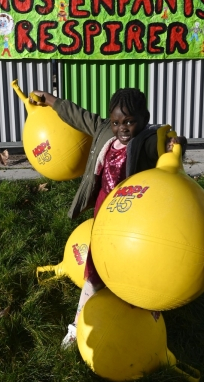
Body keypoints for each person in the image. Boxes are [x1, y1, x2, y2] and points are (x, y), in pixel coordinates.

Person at [29, 88, 186, 348]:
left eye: (129, 121)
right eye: (116, 122)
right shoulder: (104, 132)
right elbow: (77, 116)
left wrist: (173, 146)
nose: (122, 128)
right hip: (104, 220)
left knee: (140, 270)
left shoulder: (146, 141)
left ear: (144, 118)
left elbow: (163, 149)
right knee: (94, 270)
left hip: (135, 223)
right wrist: (50, 100)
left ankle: (148, 319)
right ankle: (78, 326)